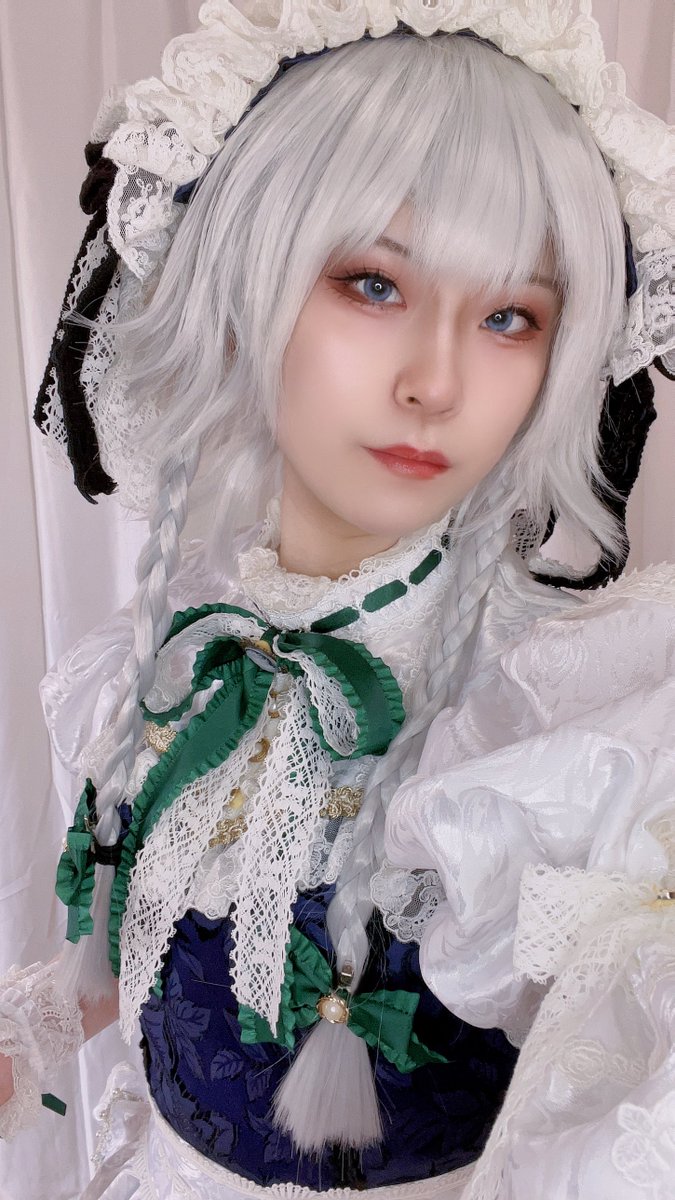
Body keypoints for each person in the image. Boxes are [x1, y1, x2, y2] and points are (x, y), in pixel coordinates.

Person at [1, 3, 673, 1198]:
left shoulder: (563, 715)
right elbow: (149, 951)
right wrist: (30, 1032)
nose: (436, 382)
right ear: (239, 279)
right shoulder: (171, 656)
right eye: (373, 284)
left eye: (510, 317)